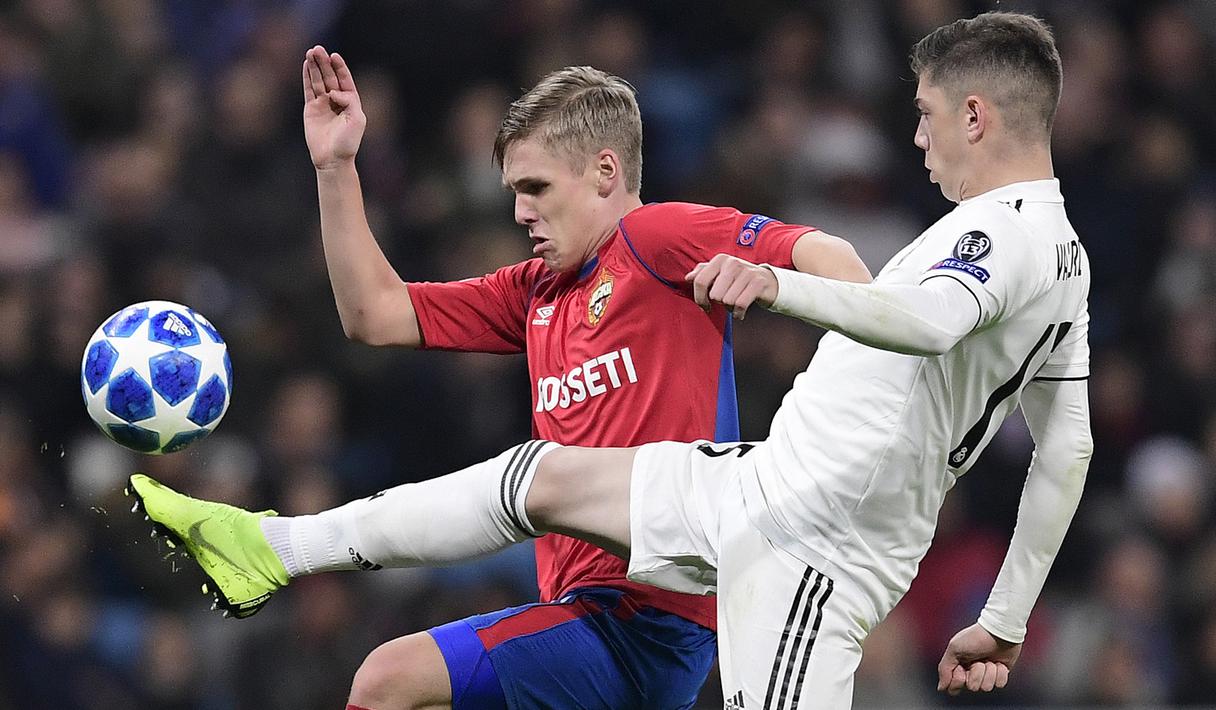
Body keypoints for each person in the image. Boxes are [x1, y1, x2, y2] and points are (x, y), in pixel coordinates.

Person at [131, 11, 1090, 708]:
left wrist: (784, 290)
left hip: (726, 577)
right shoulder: (533, 293)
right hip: (721, 506)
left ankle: (270, 549)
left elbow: (854, 276)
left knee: (387, 678)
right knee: (535, 477)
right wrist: (336, 168)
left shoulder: (663, 237)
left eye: (535, 188)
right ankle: (272, 546)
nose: (518, 212)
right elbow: (376, 314)